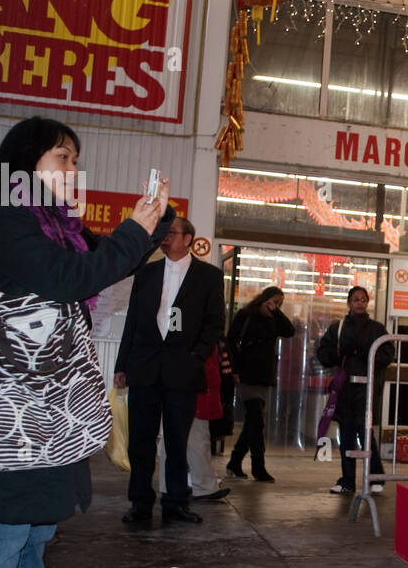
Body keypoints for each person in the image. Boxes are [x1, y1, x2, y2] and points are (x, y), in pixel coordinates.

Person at [0, 116, 168, 568]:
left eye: (75, 159)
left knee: (37, 527)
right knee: (4, 530)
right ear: (26, 161)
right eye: (62, 157)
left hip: (50, 411)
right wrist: (133, 231)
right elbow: (77, 276)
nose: (73, 169)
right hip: (13, 412)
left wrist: (152, 219)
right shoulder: (11, 218)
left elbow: (108, 258)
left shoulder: (54, 224)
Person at [115, 216, 225, 525]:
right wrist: (122, 364)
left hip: (183, 370)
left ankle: (175, 502)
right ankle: (139, 502)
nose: (164, 238)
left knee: (177, 441)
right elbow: (133, 322)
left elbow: (215, 324)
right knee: (141, 441)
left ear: (188, 238)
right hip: (144, 367)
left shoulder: (209, 276)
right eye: (162, 234)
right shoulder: (147, 273)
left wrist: (196, 357)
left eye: (171, 233)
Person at [317, 286, 393, 495]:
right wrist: (338, 353)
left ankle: (375, 476)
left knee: (366, 432)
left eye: (363, 299)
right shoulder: (338, 328)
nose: (360, 303)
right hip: (344, 389)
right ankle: (348, 481)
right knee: (347, 434)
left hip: (367, 389)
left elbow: (387, 354)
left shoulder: (377, 328)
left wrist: (366, 355)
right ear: (349, 303)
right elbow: (323, 353)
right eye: (355, 299)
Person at [226, 286, 294, 481]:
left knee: (252, 423)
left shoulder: (274, 319)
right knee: (257, 421)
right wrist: (235, 369)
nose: (275, 305)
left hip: (265, 373)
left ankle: (235, 461)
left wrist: (277, 312)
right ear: (264, 299)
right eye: (273, 301)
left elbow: (289, 331)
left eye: (280, 303)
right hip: (246, 372)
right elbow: (231, 341)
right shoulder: (246, 314)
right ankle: (258, 467)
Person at [157, 340, 230, 502]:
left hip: (184, 390)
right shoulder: (201, 334)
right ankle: (203, 486)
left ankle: (169, 485)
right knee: (197, 441)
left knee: (175, 440)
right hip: (196, 394)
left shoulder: (184, 327)